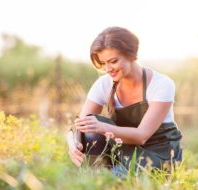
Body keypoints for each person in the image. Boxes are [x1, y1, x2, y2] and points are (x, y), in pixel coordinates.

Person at [66, 26, 182, 175]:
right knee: (89, 124)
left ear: (131, 55)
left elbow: (142, 136)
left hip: (159, 153)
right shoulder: (104, 84)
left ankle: (109, 176)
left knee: (117, 177)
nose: (108, 69)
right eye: (103, 63)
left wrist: (103, 128)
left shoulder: (162, 84)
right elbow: (79, 126)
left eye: (113, 61)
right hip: (123, 149)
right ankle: (96, 173)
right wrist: (72, 143)